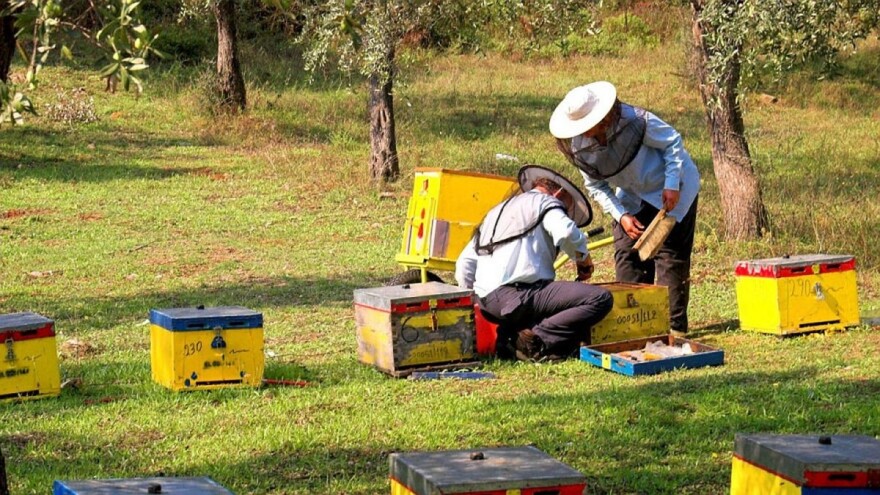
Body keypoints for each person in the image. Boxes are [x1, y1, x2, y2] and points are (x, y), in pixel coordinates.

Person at [550, 81, 700, 335]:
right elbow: (596, 186)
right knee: (627, 251)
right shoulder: (581, 148)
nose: (586, 133)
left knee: (669, 255)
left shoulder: (638, 121)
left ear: (604, 117)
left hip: (674, 188)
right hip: (633, 195)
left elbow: (673, 142)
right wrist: (621, 216)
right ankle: (633, 324)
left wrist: (672, 183)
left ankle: (673, 329)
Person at [455, 165, 613, 362]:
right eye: (566, 205)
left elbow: (464, 264)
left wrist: (475, 299)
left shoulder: (496, 211)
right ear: (559, 193)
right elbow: (565, 232)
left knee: (545, 300)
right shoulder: (546, 202)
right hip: (517, 296)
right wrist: (582, 259)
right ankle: (534, 341)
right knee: (599, 298)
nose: (565, 211)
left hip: (488, 303)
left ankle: (509, 339)